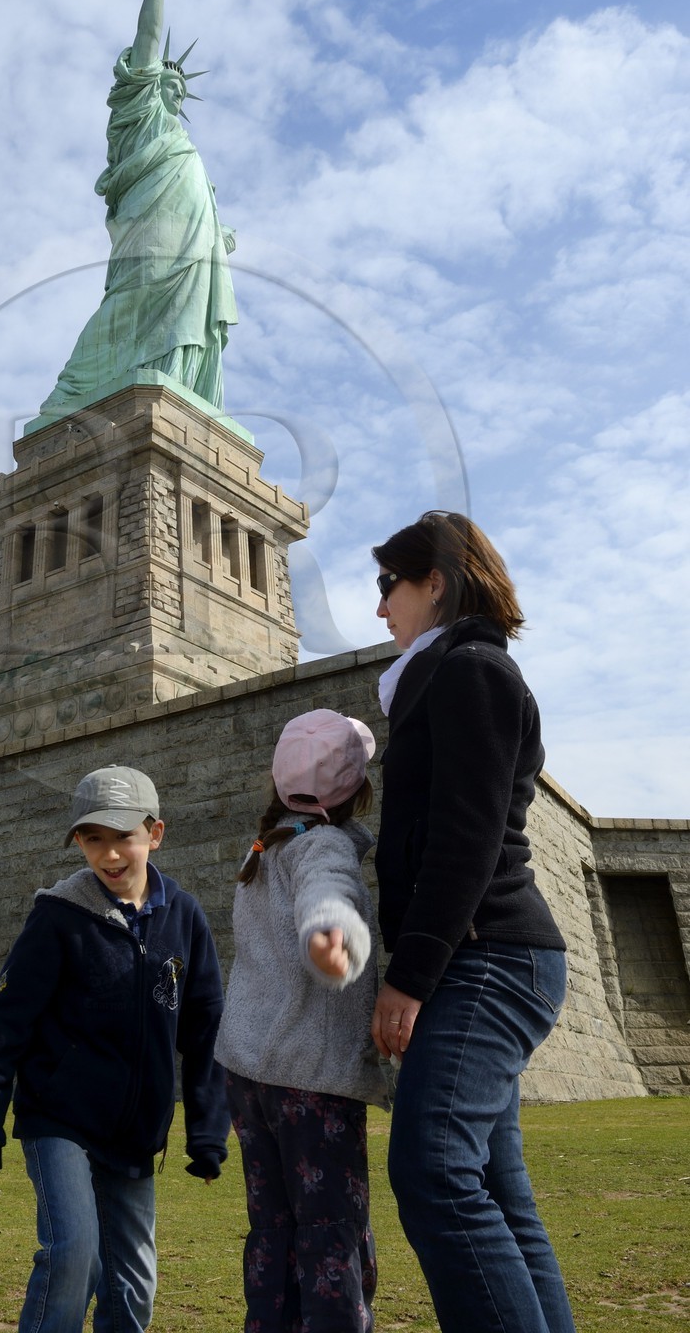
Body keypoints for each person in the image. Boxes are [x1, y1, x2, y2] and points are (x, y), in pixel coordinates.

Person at [369, 510, 575, 1333]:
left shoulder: (471, 671)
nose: (380, 608)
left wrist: (408, 976)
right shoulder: (447, 674)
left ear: (435, 583)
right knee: (491, 1185)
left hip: (490, 956)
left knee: (431, 1168)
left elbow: (468, 838)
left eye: (389, 586)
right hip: (484, 956)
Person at [0, 765, 229, 1333]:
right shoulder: (57, 917)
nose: (108, 854)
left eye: (123, 836)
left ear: (155, 834)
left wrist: (207, 1135)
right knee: (73, 1256)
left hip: (136, 1135)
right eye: (92, 838)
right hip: (59, 1119)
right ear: (78, 839)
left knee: (134, 1287)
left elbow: (205, 1033)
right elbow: (2, 1026)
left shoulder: (186, 918)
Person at [215, 710, 389, 1333]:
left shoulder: (262, 850)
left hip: (247, 1073)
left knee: (273, 1228)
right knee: (330, 1230)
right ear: (356, 792)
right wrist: (330, 935)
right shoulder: (323, 846)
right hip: (309, 1078)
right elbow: (328, 890)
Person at [37, 0, 238, 421]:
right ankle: (74, 392)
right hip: (149, 232)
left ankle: (178, 385)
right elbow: (147, 43)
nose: (174, 91)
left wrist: (217, 231)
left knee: (188, 314)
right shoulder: (138, 118)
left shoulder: (183, 145)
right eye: (166, 82)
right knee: (130, 302)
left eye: (179, 89)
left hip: (195, 239)